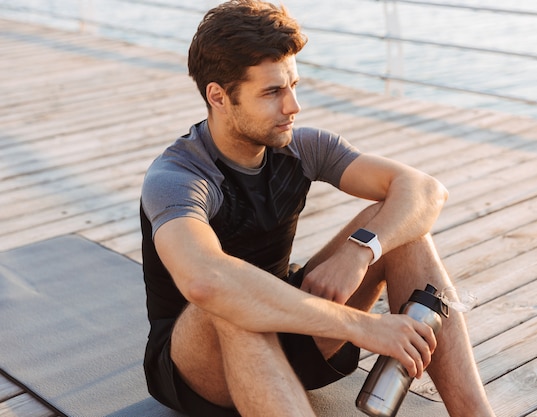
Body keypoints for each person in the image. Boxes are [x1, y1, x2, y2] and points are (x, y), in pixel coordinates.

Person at [140, 1, 495, 416]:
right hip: (198, 369)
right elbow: (206, 282)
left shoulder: (301, 147)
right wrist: (365, 327)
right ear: (218, 96)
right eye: (272, 92)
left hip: (290, 330)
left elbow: (425, 189)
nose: (293, 106)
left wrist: (359, 252)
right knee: (230, 303)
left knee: (402, 231)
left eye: (293, 85)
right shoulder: (179, 176)